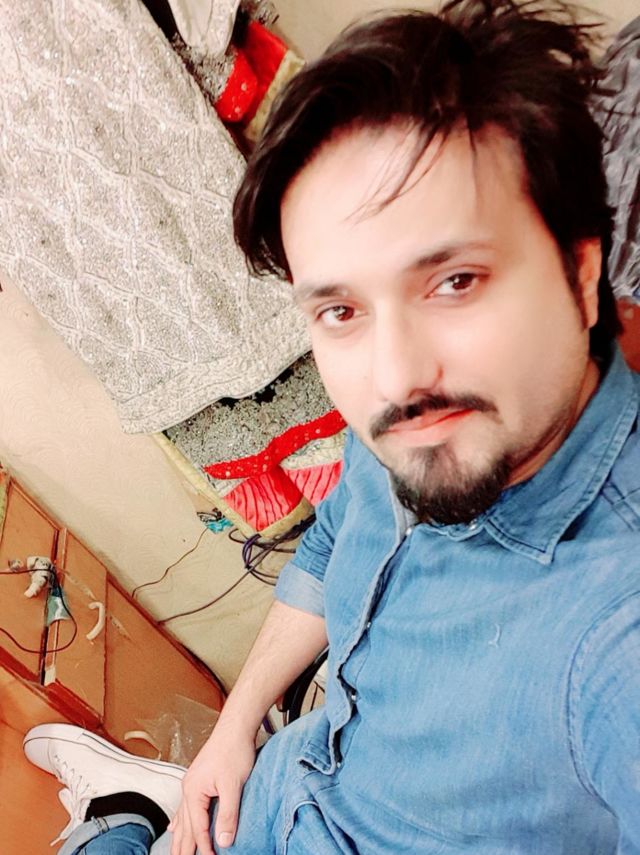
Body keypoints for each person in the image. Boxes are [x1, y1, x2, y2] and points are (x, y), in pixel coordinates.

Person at [24, 0, 640, 852]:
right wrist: (235, 726)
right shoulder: (424, 429)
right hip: (273, 793)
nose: (394, 376)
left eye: (455, 281)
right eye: (342, 310)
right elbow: (328, 546)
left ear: (580, 275)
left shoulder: (616, 634)